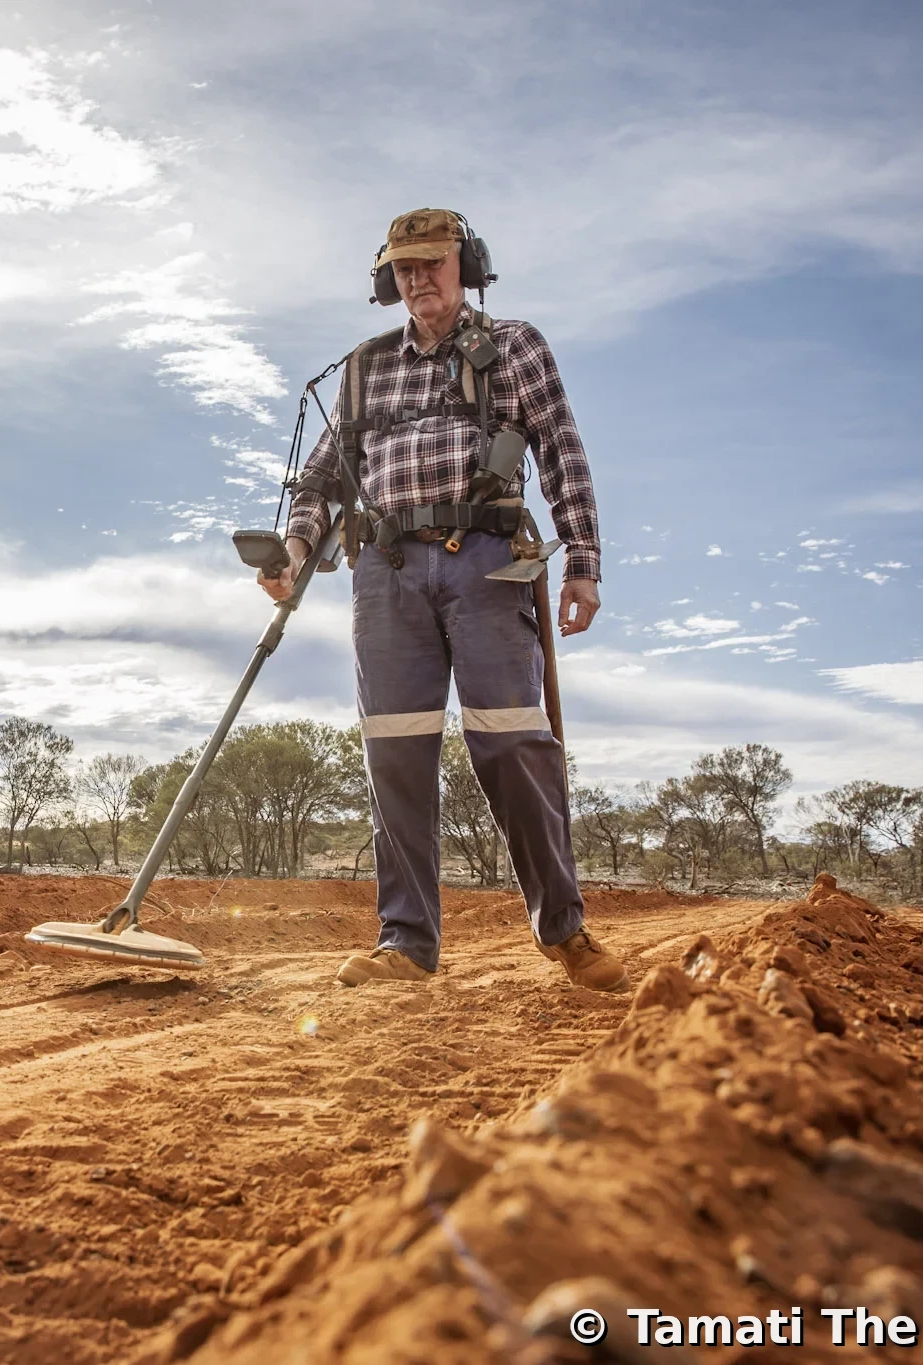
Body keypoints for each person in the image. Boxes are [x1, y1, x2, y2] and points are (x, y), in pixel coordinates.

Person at [262, 207, 628, 994]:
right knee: (395, 751)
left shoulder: (517, 347)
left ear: (467, 264)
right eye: (404, 268)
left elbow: (563, 452)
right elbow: (322, 479)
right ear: (386, 280)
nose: (419, 278)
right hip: (386, 574)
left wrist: (583, 564)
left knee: (511, 743)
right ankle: (407, 942)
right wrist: (293, 550)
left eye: (433, 262)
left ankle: (564, 931)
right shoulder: (364, 367)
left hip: (488, 566)